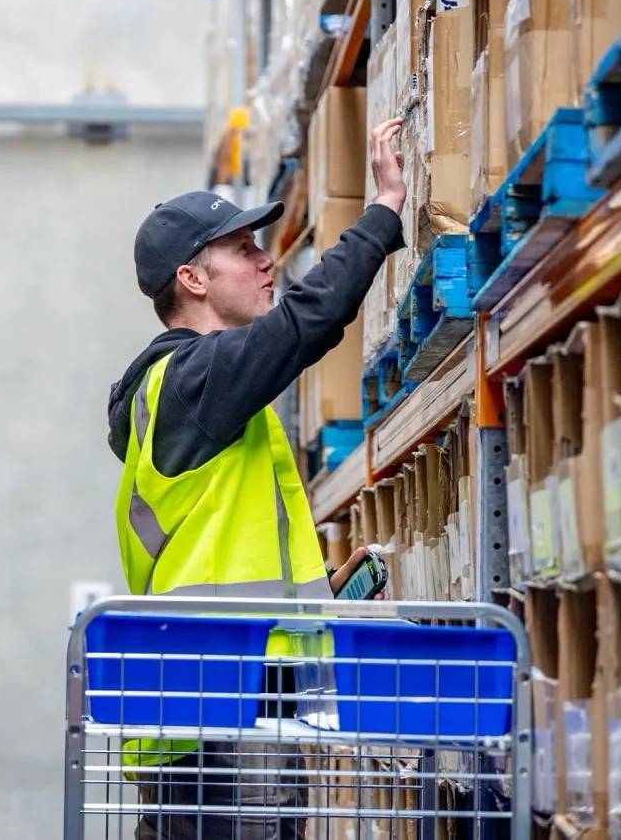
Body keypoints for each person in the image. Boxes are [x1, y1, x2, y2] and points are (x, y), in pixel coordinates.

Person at [104, 118, 407, 839]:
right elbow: (310, 319)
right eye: (243, 250)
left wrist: (318, 595)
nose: (268, 261)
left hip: (225, 705)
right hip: (224, 717)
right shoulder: (192, 379)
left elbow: (222, 552)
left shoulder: (189, 396)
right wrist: (386, 209)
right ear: (193, 278)